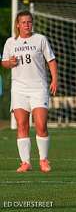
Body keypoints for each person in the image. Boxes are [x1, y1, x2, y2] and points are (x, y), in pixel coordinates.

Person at [1, 10, 58, 173]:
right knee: (22, 125)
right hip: (19, 89)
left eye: (29, 22)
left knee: (41, 124)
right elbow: (4, 62)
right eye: (23, 22)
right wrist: (9, 62)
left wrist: (55, 79)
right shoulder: (10, 42)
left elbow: (51, 60)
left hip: (38, 87)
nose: (27, 25)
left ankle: (43, 160)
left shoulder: (40, 39)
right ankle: (25, 162)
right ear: (17, 25)